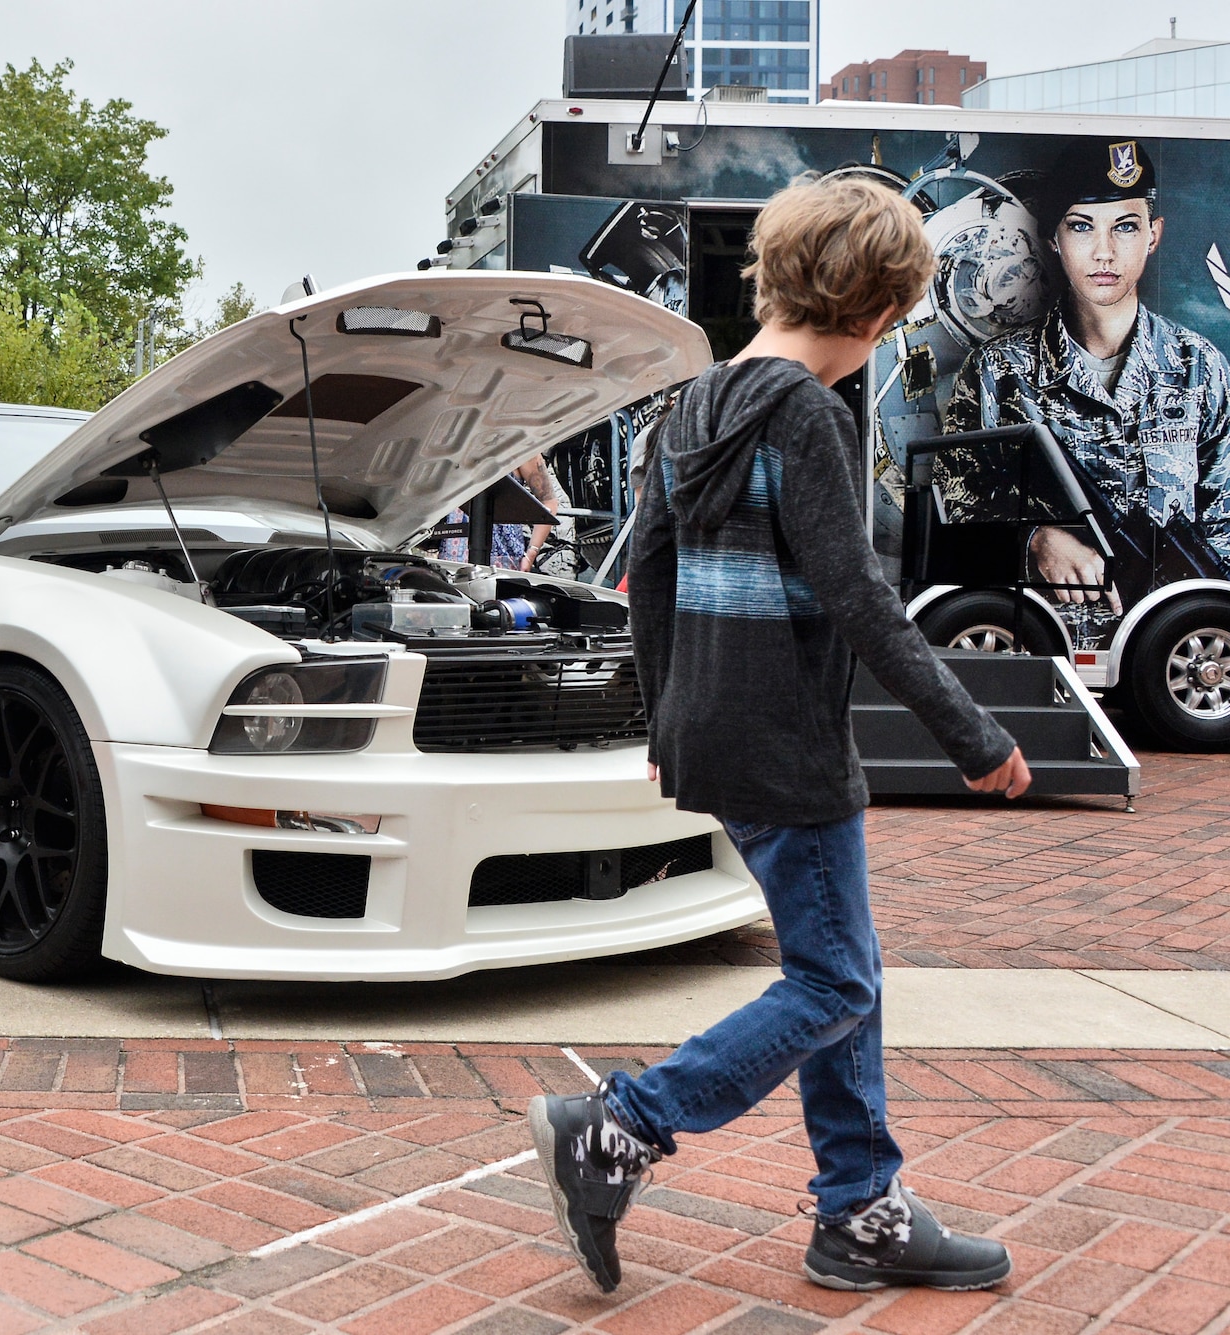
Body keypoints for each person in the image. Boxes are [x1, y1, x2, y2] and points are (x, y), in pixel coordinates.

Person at [527, 176, 1033, 1296]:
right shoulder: (806, 411)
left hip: (712, 723)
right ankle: (620, 1125)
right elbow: (857, 594)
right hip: (786, 738)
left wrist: (665, 714)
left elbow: (643, 571)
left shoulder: (696, 401)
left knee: (839, 966)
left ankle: (859, 1213)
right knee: (834, 984)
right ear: (875, 307)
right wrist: (971, 732)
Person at [941, 138, 1230, 644]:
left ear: (1154, 235)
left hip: (1177, 659)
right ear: (1053, 238)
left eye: (1125, 226)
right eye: (1081, 226)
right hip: (1033, 646)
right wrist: (1034, 540)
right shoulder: (1000, 373)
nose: (1104, 252)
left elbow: (1225, 519)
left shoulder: (1198, 369)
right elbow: (952, 515)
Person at [437, 457, 562, 571]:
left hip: (503, 560)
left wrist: (531, 553)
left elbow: (549, 502)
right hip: (451, 557)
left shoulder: (520, 444)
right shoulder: (458, 442)